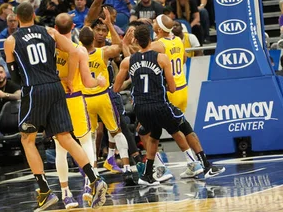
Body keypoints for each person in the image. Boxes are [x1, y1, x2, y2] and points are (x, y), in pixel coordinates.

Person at [4, 2, 108, 210]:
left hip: (34, 90)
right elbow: (74, 51)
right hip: (56, 88)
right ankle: (95, 180)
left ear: (16, 18)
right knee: (66, 138)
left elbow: (14, 76)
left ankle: (44, 191)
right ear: (34, 15)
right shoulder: (49, 32)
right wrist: (68, 78)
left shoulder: (11, 40)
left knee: (27, 139)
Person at [114, 25, 201, 186]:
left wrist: (125, 45)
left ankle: (151, 172)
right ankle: (193, 163)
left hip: (141, 107)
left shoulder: (128, 61)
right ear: (152, 39)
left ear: (135, 40)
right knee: (176, 129)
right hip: (162, 101)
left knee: (150, 134)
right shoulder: (162, 56)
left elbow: (117, 88)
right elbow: (172, 87)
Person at [147, 15, 224, 180]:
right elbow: (182, 60)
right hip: (182, 88)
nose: (152, 22)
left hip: (170, 91)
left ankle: (193, 163)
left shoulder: (158, 45)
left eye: (154, 22)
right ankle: (197, 163)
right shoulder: (179, 41)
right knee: (179, 127)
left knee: (170, 130)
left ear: (159, 29)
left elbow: (139, 54)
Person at [52, 13, 109, 206]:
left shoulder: (50, 48)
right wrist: (99, 81)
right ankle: (88, 183)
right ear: (73, 27)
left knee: (60, 148)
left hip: (56, 100)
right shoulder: (79, 51)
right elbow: (88, 82)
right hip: (75, 99)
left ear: (55, 28)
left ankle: (65, 193)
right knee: (86, 141)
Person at [78, 17, 132, 177]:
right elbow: (119, 46)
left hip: (85, 100)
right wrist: (109, 24)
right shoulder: (103, 52)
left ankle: (93, 172)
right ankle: (127, 168)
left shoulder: (75, 52)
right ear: (94, 37)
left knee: (91, 136)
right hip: (102, 97)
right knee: (116, 131)